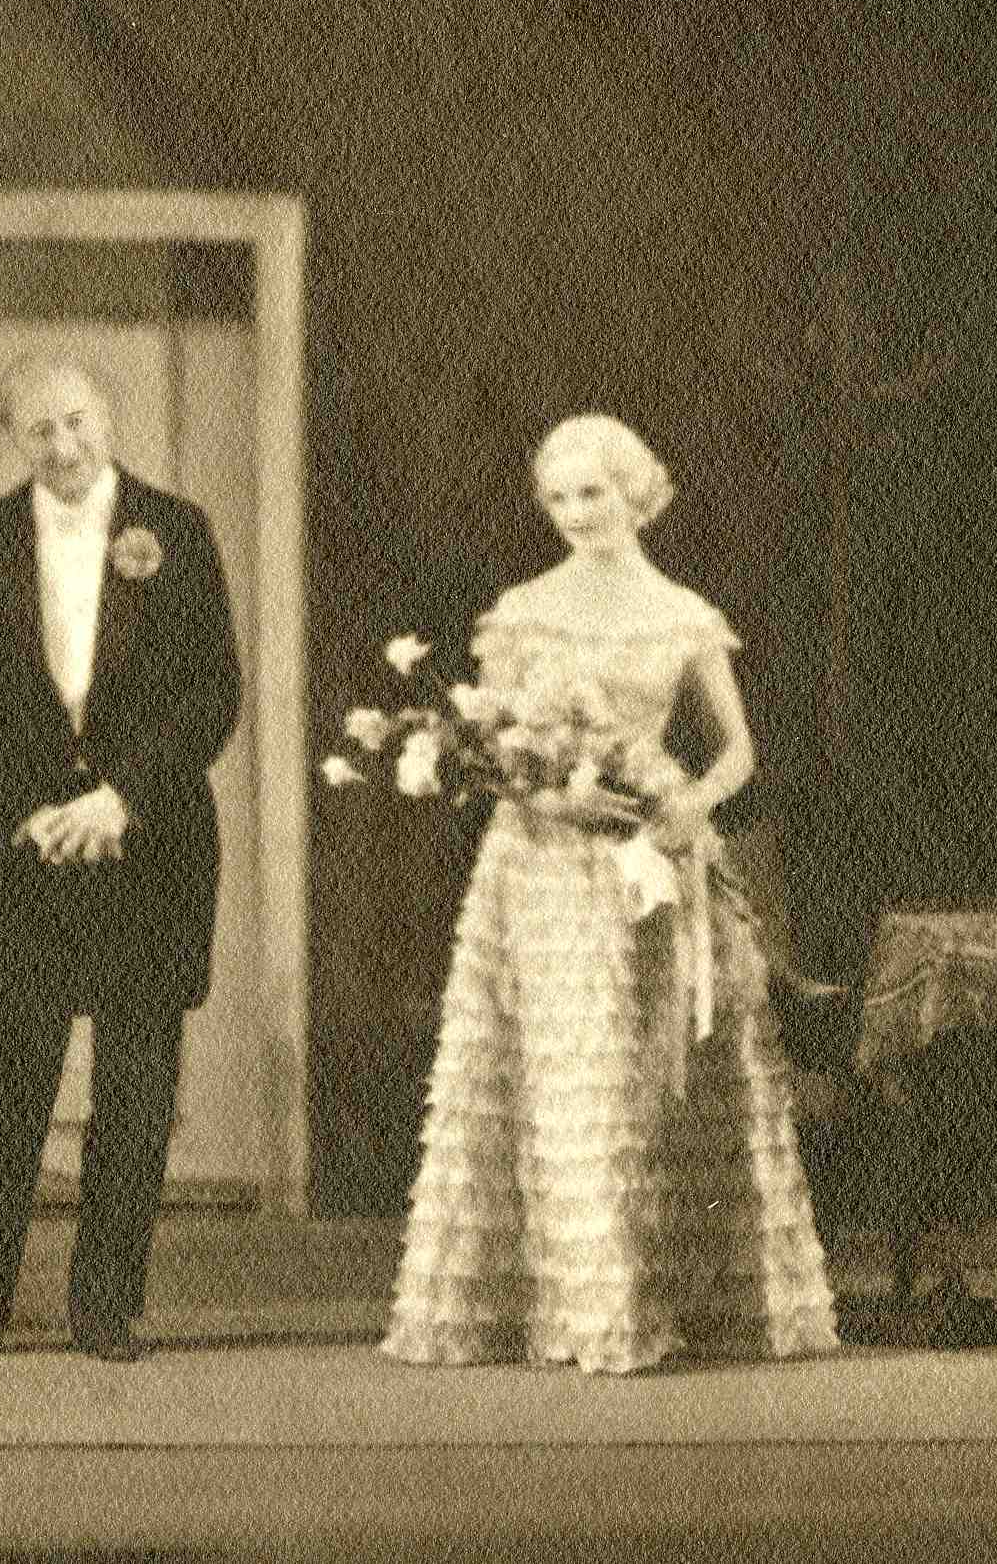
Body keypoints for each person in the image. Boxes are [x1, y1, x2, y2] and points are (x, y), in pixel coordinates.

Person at [382, 412, 837, 1375]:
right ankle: (582, 1306)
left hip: (651, 854)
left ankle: (651, 1298)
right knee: (566, 1072)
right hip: (543, 862)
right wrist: (549, 792)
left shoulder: (683, 613)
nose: (575, 512)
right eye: (557, 497)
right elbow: (489, 742)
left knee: (645, 1073)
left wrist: (689, 806)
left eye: (591, 491)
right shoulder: (522, 610)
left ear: (634, 492)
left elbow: (738, 751)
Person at [0, 358, 244, 1366]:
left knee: (135, 1086)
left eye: (75, 422)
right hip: (34, 847)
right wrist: (29, 809)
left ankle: (105, 1307)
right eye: (37, 431)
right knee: (3, 1083)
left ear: (107, 415)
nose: (61, 447)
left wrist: (121, 796)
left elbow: (211, 692)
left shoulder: (176, 529)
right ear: (13, 440)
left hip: (151, 844)